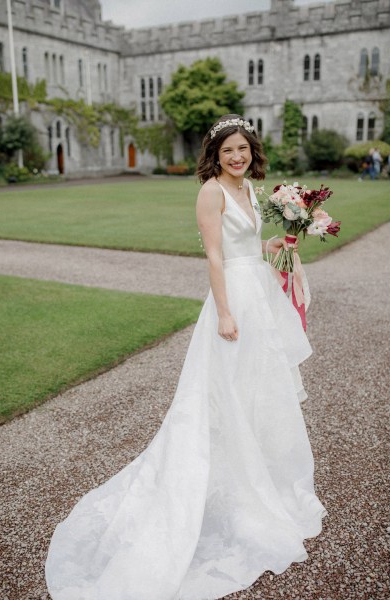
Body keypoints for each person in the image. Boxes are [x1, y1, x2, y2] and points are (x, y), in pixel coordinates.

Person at [45, 114, 327, 600]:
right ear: (215, 156)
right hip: (231, 303)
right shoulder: (211, 192)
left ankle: (253, 481)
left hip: (256, 294)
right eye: (227, 152)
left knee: (255, 394)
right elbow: (215, 256)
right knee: (223, 400)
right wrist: (223, 312)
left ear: (250, 150)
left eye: (242, 149)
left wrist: (273, 244)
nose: (236, 157)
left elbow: (243, 248)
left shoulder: (250, 193)